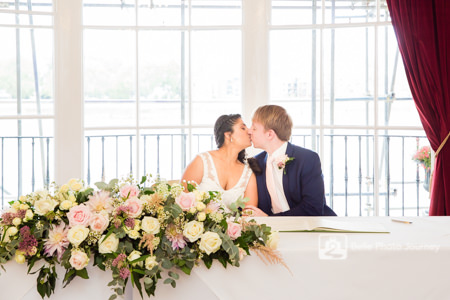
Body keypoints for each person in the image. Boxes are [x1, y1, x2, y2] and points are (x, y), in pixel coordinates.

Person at [246, 105, 336, 216]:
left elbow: (312, 208)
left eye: (254, 128)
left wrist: (270, 220)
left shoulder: (308, 159)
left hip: (313, 227)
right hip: (272, 231)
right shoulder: (257, 162)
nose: (249, 131)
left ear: (270, 134)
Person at [181, 114, 258, 211]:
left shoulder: (248, 173)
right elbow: (182, 201)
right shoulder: (202, 161)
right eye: (243, 128)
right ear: (228, 135)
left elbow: (249, 213)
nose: (249, 131)